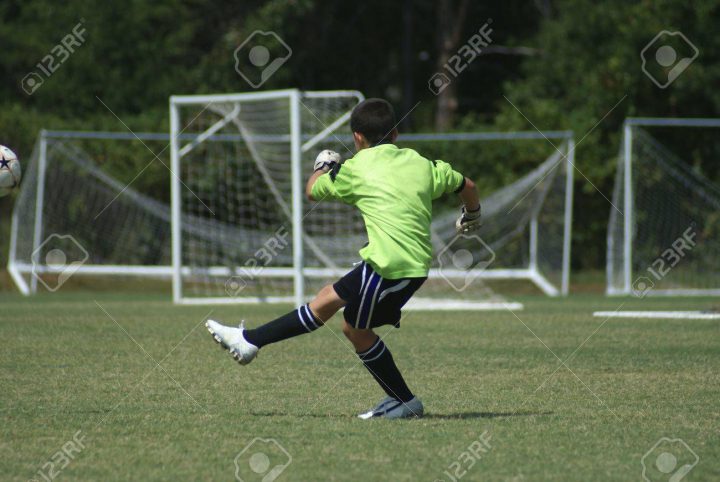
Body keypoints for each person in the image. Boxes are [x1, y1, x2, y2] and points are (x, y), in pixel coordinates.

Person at [206, 98, 481, 419]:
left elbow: (312, 191)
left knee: (353, 328)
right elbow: (468, 185)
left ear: (357, 138)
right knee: (328, 300)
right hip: (399, 263)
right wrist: (472, 215)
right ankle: (250, 342)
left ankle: (404, 401)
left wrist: (323, 166)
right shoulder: (419, 163)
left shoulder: (354, 169)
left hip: (391, 266)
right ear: (395, 133)